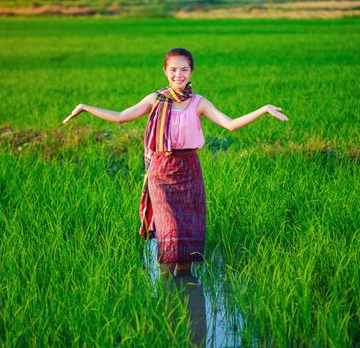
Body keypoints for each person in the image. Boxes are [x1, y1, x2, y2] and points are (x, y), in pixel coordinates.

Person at [62, 47, 288, 278]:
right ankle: (166, 289)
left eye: (184, 70)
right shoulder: (155, 99)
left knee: (189, 225)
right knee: (169, 227)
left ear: (191, 72)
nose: (178, 75)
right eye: (173, 70)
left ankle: (187, 291)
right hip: (161, 170)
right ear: (165, 71)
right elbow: (121, 117)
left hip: (189, 169)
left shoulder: (199, 102)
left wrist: (263, 109)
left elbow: (229, 124)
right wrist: (85, 107)